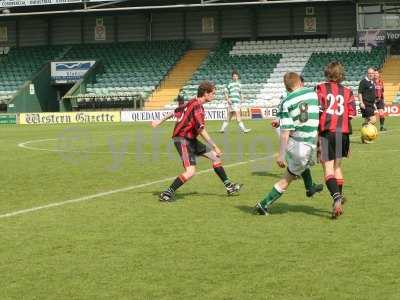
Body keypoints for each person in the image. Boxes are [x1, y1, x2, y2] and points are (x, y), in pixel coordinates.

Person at [151, 81, 243, 202]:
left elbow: (174, 111)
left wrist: (159, 121)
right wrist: (215, 146)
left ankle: (229, 187)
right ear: (205, 93)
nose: (214, 96)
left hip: (191, 139)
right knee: (190, 171)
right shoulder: (197, 107)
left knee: (215, 158)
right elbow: (201, 130)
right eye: (213, 93)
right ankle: (167, 193)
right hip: (182, 139)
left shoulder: (192, 102)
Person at [254, 72, 323, 216]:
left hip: (298, 143)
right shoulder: (313, 94)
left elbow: (285, 132)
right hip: (307, 143)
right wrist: (281, 155)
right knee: (287, 178)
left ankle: (310, 187)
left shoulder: (286, 101)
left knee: (302, 164)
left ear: (287, 87)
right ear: (300, 82)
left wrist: (281, 153)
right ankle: (263, 204)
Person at [316, 62, 357, 219]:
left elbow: (318, 111)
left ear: (327, 73)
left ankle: (336, 197)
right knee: (337, 166)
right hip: (343, 133)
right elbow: (351, 114)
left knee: (328, 168)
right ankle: (338, 197)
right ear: (341, 75)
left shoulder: (320, 88)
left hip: (328, 133)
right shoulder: (348, 91)